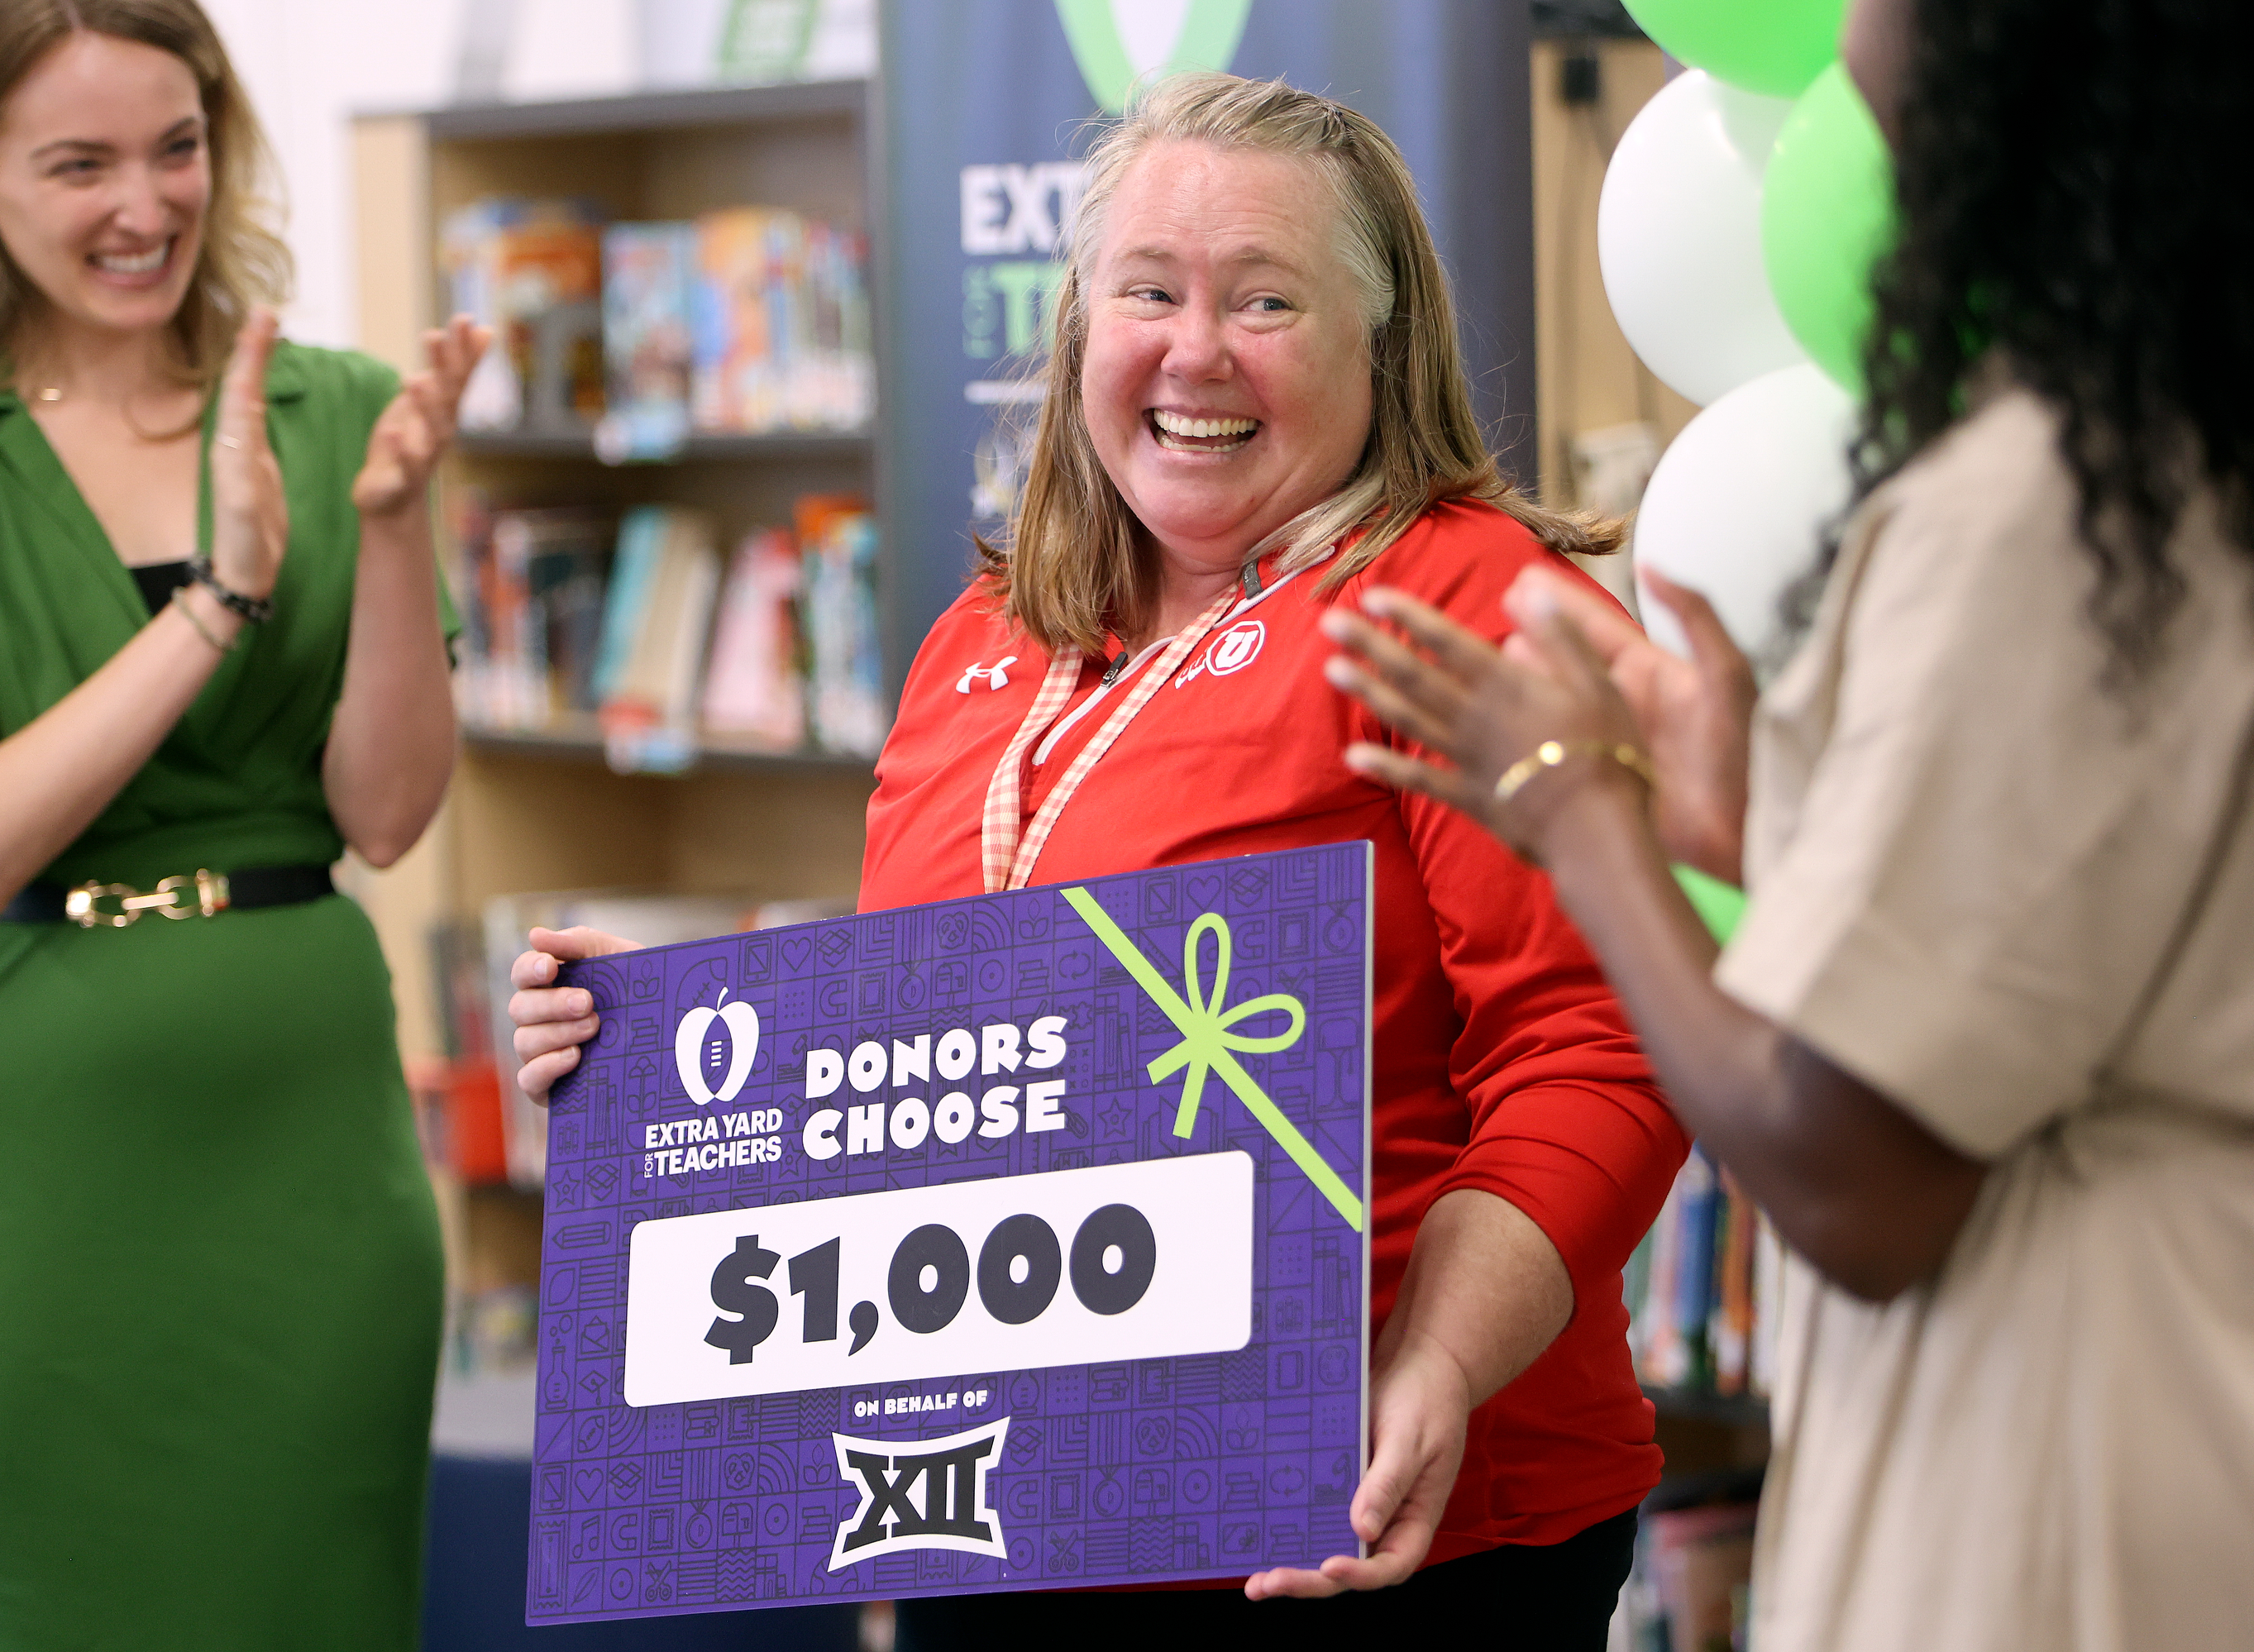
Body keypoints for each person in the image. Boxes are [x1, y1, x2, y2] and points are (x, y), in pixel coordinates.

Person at [511, 73, 1686, 1647]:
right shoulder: (978, 639)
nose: (1194, 352)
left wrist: (1439, 1363)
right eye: (1148, 292)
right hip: (1006, 1517)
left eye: (1265, 298)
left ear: (1379, 341)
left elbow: (1597, 1049)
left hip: (1374, 1520)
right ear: (1079, 330)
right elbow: (911, 1059)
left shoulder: (1477, 613)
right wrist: (652, 1054)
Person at [1320, 0, 2254, 1645]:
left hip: (2063, 1473)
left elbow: (1862, 1185)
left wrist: (1576, 813)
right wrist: (1748, 834)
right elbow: (2083, 947)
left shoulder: (2045, 507)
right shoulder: (2172, 457)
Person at [0, 1, 485, 1645]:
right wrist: (216, 604)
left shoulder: (342, 411)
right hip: (20, 1188)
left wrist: (388, 537)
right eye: (79, 163)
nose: (146, 204)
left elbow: (385, 818)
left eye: (175, 148)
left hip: (305, 1172)